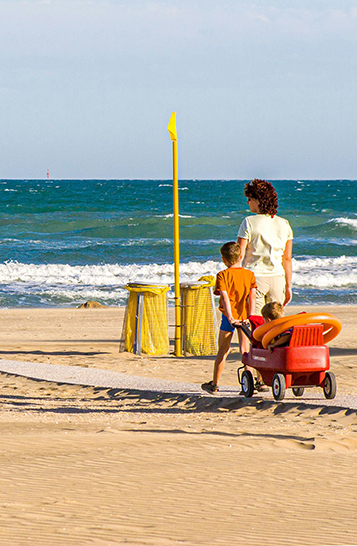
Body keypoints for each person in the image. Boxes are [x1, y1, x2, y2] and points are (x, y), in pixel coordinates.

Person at [201, 241, 256, 394]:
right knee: (245, 351)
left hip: (228, 317)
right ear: (241, 257)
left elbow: (225, 297)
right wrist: (250, 316)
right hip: (245, 316)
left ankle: (215, 383)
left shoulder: (222, 275)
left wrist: (230, 317)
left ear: (223, 259)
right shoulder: (249, 275)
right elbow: (252, 297)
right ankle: (248, 384)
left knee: (223, 350)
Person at [237, 179, 293, 315]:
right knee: (275, 323)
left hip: (255, 277)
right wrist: (288, 285)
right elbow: (287, 259)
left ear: (258, 200)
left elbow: (240, 254)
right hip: (277, 278)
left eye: (250, 199)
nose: (247, 202)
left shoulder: (248, 222)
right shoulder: (284, 223)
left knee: (256, 322)